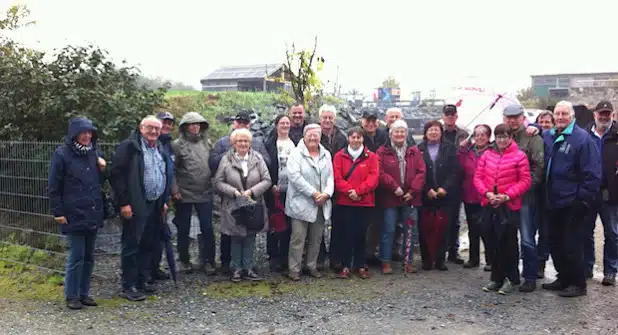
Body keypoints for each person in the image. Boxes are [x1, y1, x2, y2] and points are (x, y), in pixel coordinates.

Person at [542, 100, 601, 298]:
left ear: (572, 116)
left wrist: (582, 200)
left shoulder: (582, 139)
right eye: (557, 114)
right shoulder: (548, 136)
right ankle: (564, 277)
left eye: (564, 114)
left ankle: (578, 283)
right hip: (552, 200)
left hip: (573, 202)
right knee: (555, 242)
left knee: (572, 244)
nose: (560, 117)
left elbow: (592, 174)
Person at [111, 116, 173, 301]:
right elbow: (117, 175)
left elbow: (163, 173)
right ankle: (128, 285)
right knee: (131, 245)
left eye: (157, 129)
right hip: (135, 203)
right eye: (150, 128)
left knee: (149, 243)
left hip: (155, 203)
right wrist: (124, 203)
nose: (153, 132)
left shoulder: (160, 148)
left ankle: (142, 280)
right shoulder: (129, 147)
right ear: (141, 128)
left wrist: (163, 200)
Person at [48, 117, 106, 310]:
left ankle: (84, 293)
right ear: (74, 134)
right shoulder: (61, 154)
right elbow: (54, 186)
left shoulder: (95, 154)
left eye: (90, 133)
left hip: (92, 211)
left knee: (89, 256)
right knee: (77, 255)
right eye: (83, 132)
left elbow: (100, 182)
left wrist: (103, 169)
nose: (87, 136)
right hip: (72, 213)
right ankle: (71, 295)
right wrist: (58, 211)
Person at [209, 110, 270, 273]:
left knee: (250, 236)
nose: (243, 144)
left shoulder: (258, 158)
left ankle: (248, 267)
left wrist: (251, 192)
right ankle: (236, 268)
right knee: (235, 237)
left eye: (246, 141)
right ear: (234, 143)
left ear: (250, 142)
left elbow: (267, 180)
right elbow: (218, 182)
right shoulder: (226, 159)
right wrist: (234, 192)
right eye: (239, 141)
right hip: (232, 203)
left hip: (252, 203)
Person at [475, 124, 531, 295]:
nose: (501, 140)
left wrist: (507, 195)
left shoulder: (519, 156)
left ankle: (511, 278)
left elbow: (525, 181)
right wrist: (487, 193)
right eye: (499, 137)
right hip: (490, 203)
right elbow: (478, 177)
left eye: (505, 136)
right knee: (492, 241)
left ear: (510, 137)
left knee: (508, 243)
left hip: (509, 206)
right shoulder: (487, 155)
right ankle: (496, 277)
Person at [503, 104, 545, 292]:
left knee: (527, 239)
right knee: (507, 238)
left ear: (522, 117)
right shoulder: (502, 136)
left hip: (525, 197)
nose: (512, 120)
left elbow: (539, 167)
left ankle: (530, 276)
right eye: (508, 117)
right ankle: (509, 274)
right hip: (505, 198)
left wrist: (524, 187)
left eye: (516, 117)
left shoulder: (532, 138)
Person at [376, 120, 426, 274]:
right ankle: (386, 261)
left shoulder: (413, 151)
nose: (399, 134)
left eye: (402, 132)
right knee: (389, 229)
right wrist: (394, 187)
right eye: (396, 132)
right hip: (390, 197)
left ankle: (408, 262)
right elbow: (380, 172)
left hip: (410, 197)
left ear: (406, 134)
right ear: (390, 133)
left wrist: (412, 191)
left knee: (410, 229)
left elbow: (421, 172)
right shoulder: (382, 151)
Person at [285, 124, 334, 280]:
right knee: (298, 238)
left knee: (316, 238)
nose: (313, 138)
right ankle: (294, 269)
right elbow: (294, 177)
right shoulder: (295, 154)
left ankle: (311, 265)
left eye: (316, 135)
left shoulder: (326, 154)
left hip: (321, 203)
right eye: (310, 135)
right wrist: (313, 193)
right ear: (304, 136)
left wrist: (326, 193)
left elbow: (331, 178)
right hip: (301, 202)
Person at [171, 112, 216, 275]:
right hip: (184, 194)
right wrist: (174, 190)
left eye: (197, 124)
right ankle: (184, 260)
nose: (195, 127)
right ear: (185, 127)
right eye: (191, 124)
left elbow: (213, 165)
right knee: (183, 229)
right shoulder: (177, 145)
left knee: (207, 228)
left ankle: (208, 261)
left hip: (205, 192)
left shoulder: (207, 143)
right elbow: (172, 170)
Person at [333, 127, 379, 279]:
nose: (356, 140)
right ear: (348, 139)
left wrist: (359, 192)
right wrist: (349, 192)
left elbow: (373, 177)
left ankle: (360, 264)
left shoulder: (371, 157)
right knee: (346, 234)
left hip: (364, 202)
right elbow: (337, 177)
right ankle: (346, 265)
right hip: (345, 202)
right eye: (353, 137)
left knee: (361, 234)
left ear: (363, 139)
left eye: (359, 137)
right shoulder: (340, 156)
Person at [417, 120, 460, 271]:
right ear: (425, 133)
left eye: (436, 130)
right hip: (426, 195)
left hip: (445, 194)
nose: (433, 132)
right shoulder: (419, 149)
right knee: (425, 227)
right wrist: (427, 189)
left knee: (444, 227)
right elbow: (417, 172)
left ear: (441, 132)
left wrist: (444, 188)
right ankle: (427, 259)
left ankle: (440, 259)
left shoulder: (450, 148)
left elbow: (455, 171)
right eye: (430, 130)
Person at [583, 100, 618, 286]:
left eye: (607, 113)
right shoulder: (584, 134)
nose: (604, 116)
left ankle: (610, 270)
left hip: (611, 193)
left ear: (612, 115)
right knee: (586, 232)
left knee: (612, 233)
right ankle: (587, 267)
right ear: (594, 114)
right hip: (589, 192)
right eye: (601, 113)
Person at [458, 124, 493, 271]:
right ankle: (473, 259)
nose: (479, 138)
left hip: (486, 195)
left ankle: (491, 260)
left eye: (483, 135)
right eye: (477, 135)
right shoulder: (468, 152)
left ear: (488, 137)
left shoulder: (493, 151)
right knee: (472, 228)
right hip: (470, 194)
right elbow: (458, 162)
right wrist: (462, 147)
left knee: (487, 228)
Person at [317, 104, 348, 270]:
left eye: (330, 118)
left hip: (337, 186)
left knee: (338, 224)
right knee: (318, 223)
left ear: (334, 119)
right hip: (318, 185)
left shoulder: (342, 138)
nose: (327, 121)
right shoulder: (314, 135)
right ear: (320, 119)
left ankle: (335, 258)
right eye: (324, 118)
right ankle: (319, 257)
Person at [263, 114, 295, 272]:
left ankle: (285, 255)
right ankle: (273, 255)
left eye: (287, 123)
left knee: (289, 223)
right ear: (276, 125)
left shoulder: (295, 142)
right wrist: (271, 184)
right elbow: (265, 165)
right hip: (274, 189)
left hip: (292, 190)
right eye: (282, 123)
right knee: (275, 222)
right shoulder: (269, 143)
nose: (285, 125)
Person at [441, 105, 469, 265]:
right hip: (442, 179)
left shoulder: (463, 134)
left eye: (453, 114)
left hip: (458, 181)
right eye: (447, 114)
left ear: (456, 116)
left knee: (455, 220)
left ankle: (454, 250)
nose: (450, 117)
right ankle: (441, 250)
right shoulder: (438, 132)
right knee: (442, 217)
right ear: (443, 116)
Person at [149, 111, 175, 282]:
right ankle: (145, 272)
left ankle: (155, 267)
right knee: (148, 237)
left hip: (163, 196)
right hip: (149, 198)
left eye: (169, 123)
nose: (166, 126)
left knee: (159, 235)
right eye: (163, 122)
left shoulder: (168, 145)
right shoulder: (151, 144)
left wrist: (167, 198)